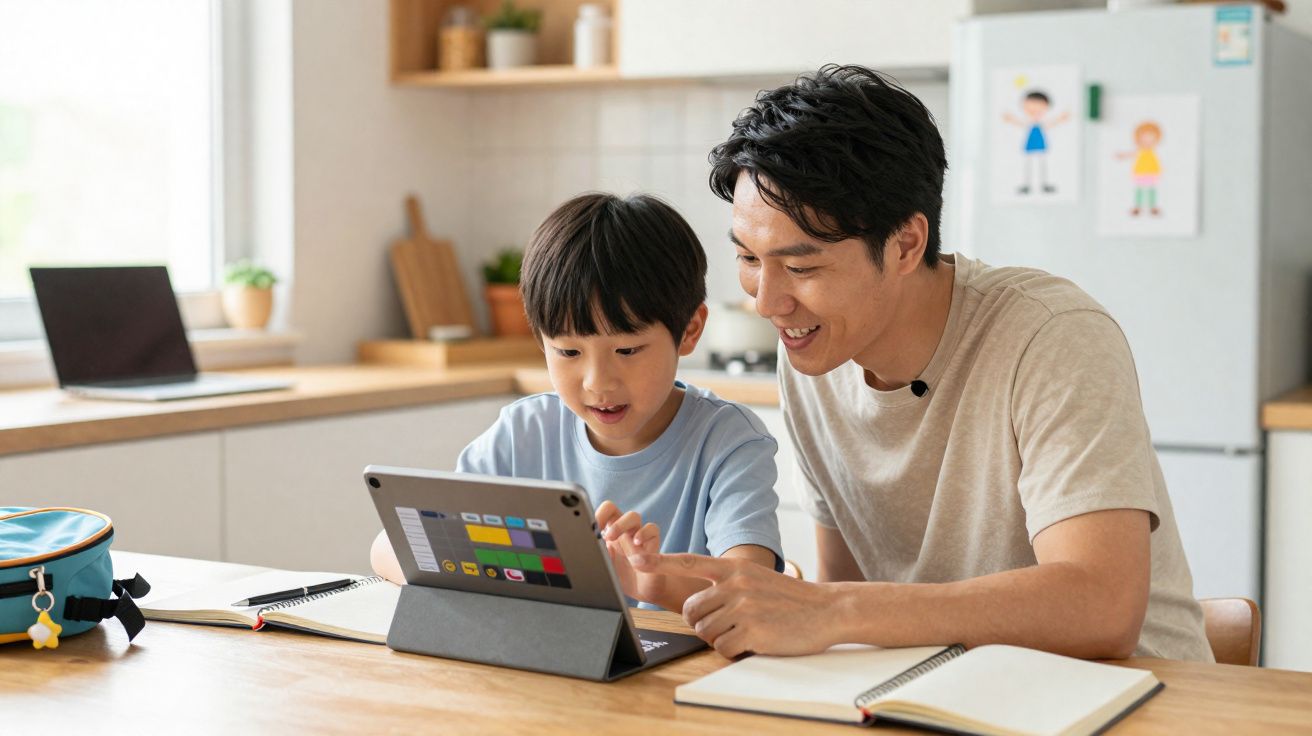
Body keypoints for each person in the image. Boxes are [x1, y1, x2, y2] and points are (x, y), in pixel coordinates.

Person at [631, 64, 1213, 661]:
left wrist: (833, 611)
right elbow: (846, 597)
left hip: (1136, 696)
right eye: (749, 258)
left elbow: (1101, 607)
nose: (766, 301)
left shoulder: (1051, 337)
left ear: (907, 244)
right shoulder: (814, 353)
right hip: (942, 692)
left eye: (801, 267)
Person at [370, 192, 783, 612]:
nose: (598, 382)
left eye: (628, 351)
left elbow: (755, 595)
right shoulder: (522, 434)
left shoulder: (729, 444)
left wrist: (655, 586)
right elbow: (389, 546)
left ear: (690, 330)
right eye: (568, 352)